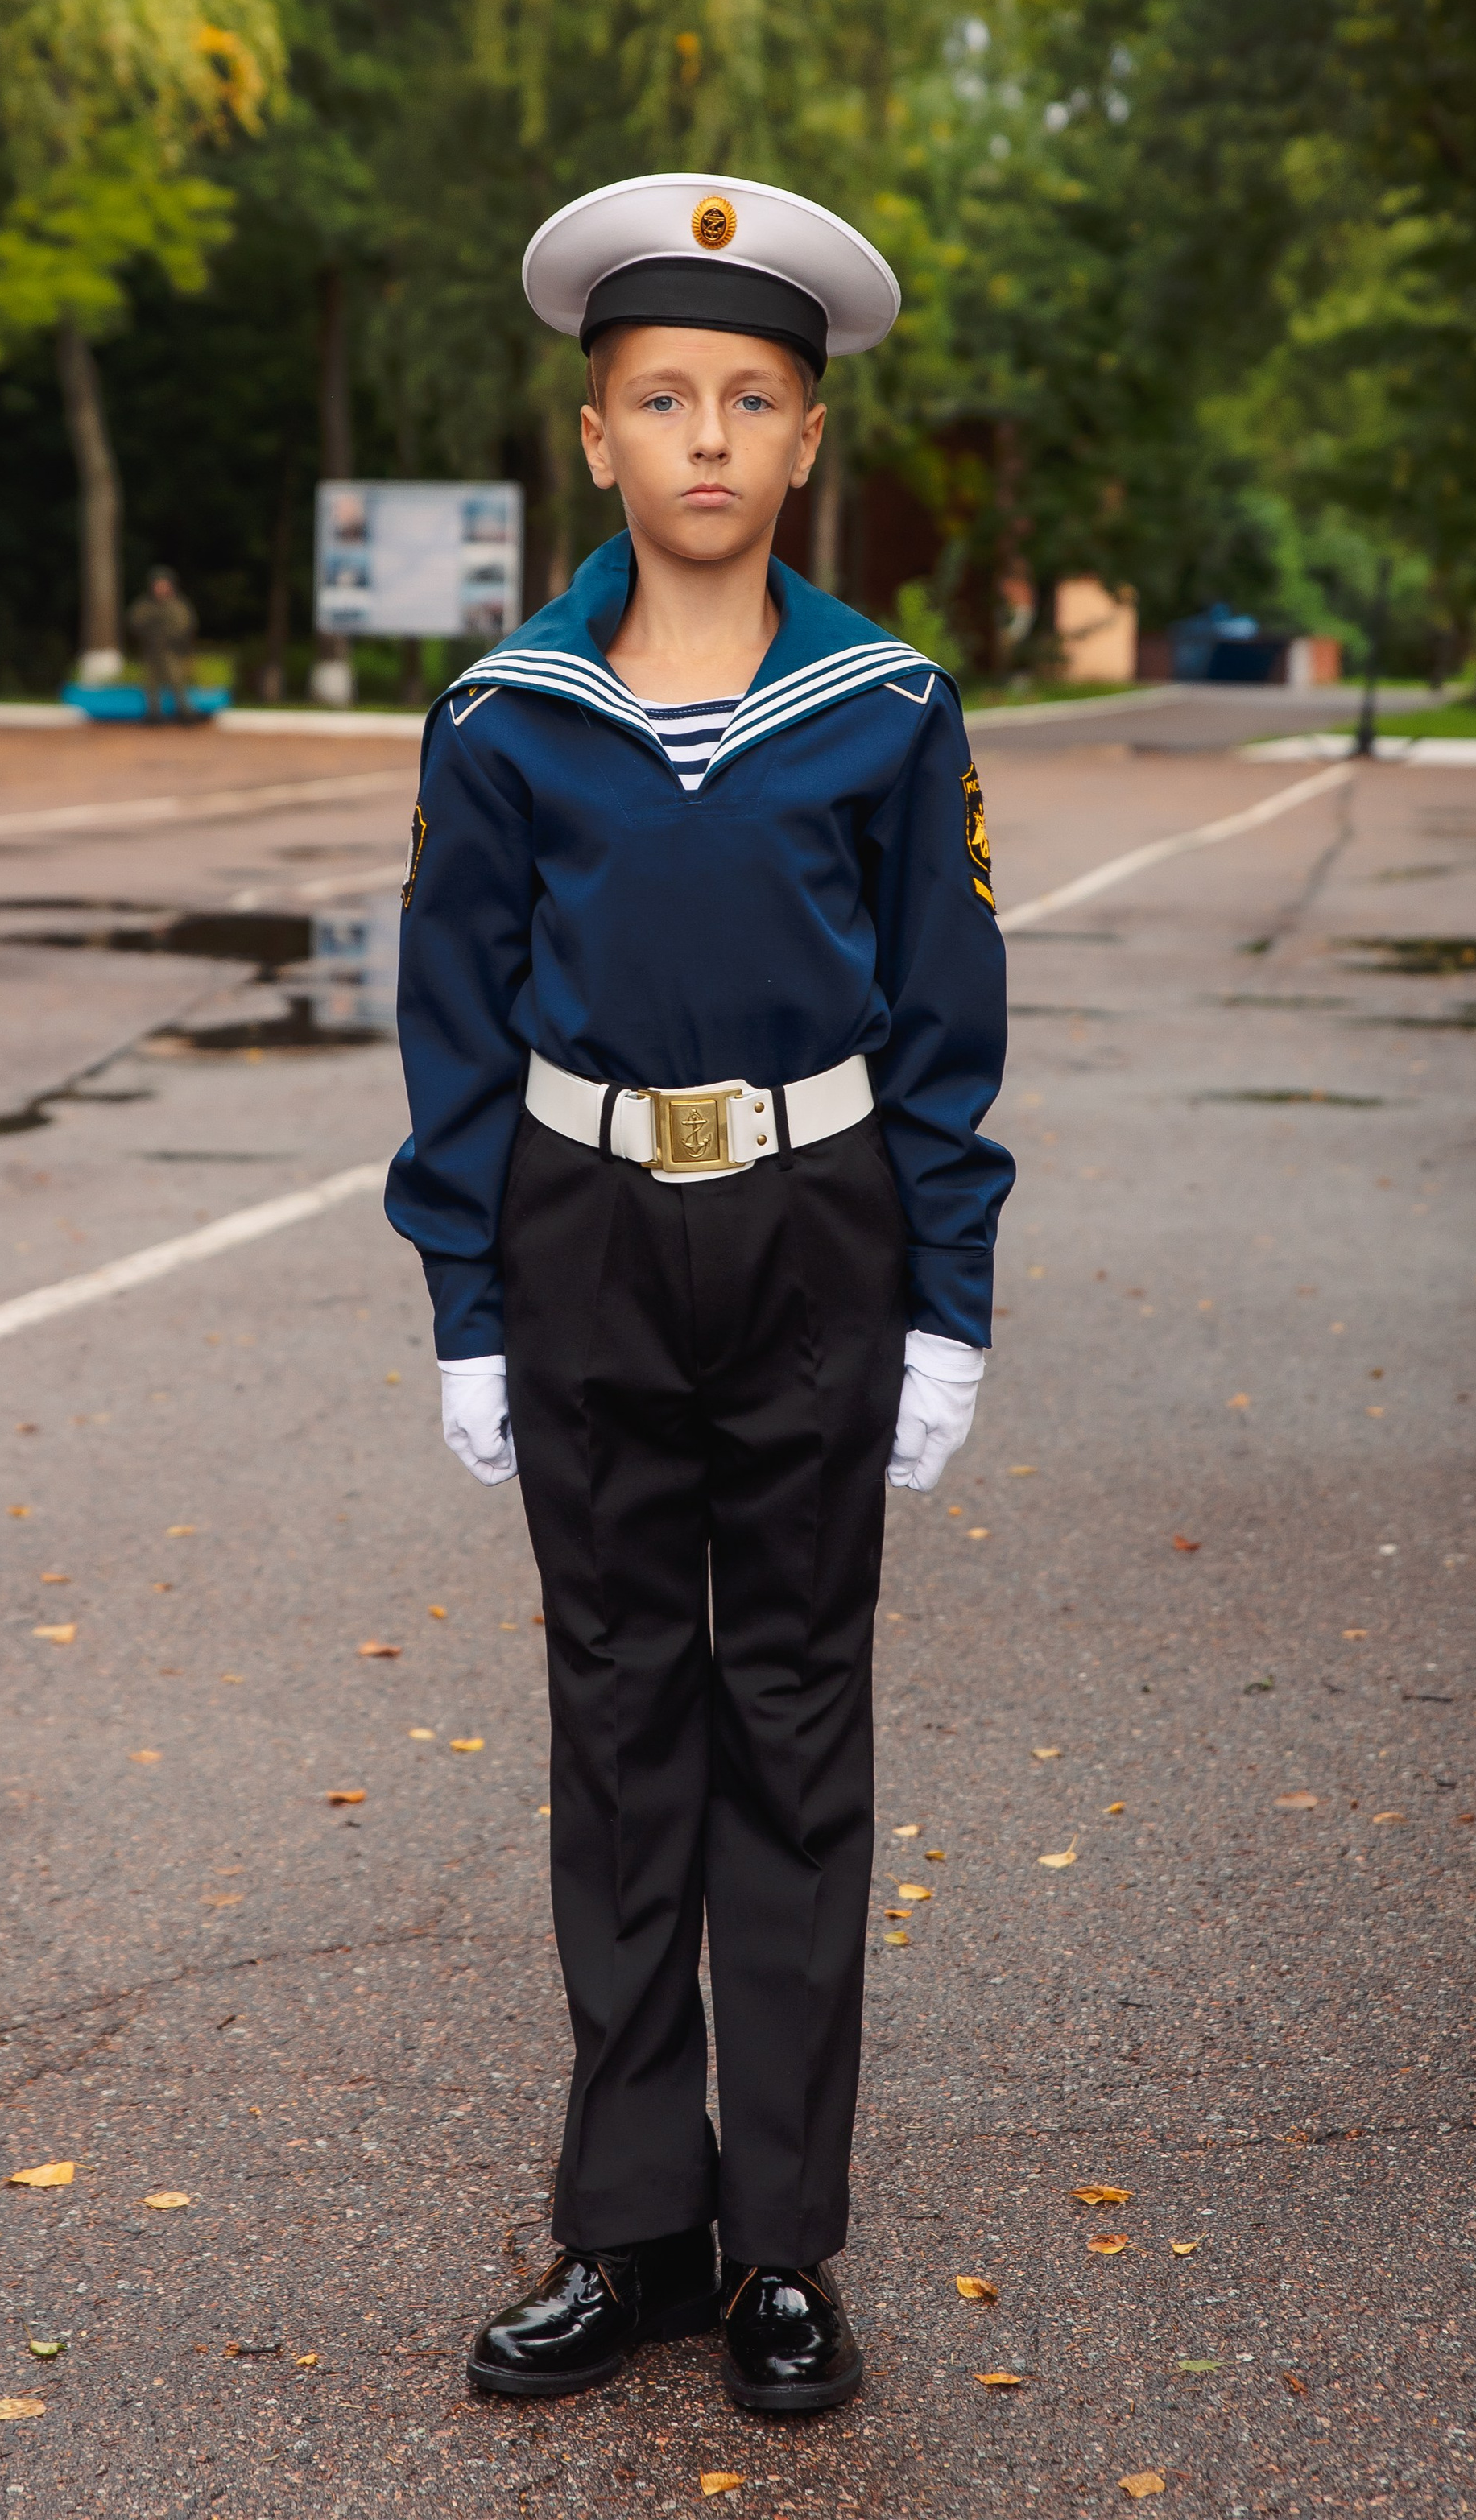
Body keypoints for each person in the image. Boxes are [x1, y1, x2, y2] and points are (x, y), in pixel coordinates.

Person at [385, 173, 1012, 2417]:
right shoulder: (506, 716)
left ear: (810, 444)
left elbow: (948, 1015)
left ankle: (786, 2252)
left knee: (795, 1728)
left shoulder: (885, 704)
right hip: (581, 1237)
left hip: (819, 1230)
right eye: (666, 397)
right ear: (597, 441)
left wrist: (953, 1299)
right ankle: (633, 2228)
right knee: (623, 1725)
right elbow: (453, 1016)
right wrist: (467, 1298)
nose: (712, 438)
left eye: (755, 398)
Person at [127, 565, 196, 721]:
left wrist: (172, 637)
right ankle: (154, 714)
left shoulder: (177, 605)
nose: (161, 588)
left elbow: (185, 625)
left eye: (164, 584)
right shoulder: (145, 605)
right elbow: (135, 622)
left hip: (171, 649)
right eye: (157, 584)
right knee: (150, 683)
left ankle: (185, 712)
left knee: (176, 679)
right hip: (151, 649)